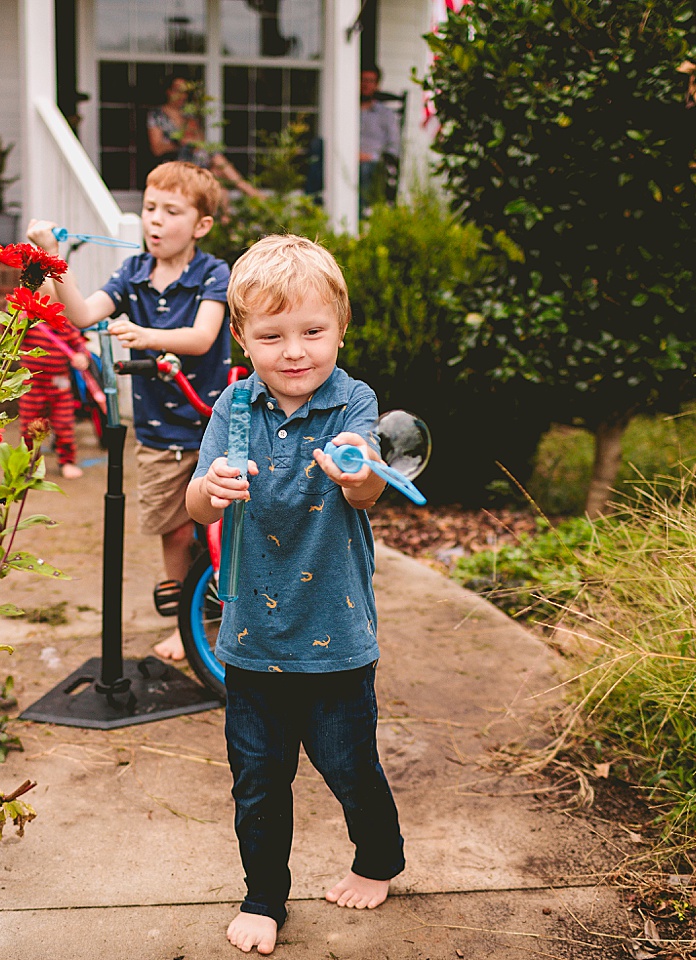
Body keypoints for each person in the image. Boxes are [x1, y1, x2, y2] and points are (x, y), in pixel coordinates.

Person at [185, 234, 404, 956]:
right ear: (242, 338)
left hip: (335, 637)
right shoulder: (235, 407)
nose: (294, 351)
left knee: (350, 768)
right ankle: (263, 898)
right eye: (272, 335)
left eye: (312, 331)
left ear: (342, 327)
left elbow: (369, 486)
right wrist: (208, 490)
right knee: (257, 781)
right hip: (250, 641)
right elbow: (194, 505)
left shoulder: (352, 402)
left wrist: (355, 473)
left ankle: (377, 859)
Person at [26, 160, 234, 662]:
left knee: (227, 526)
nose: (155, 221)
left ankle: (227, 618)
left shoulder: (213, 273)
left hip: (213, 422)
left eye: (171, 211)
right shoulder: (133, 272)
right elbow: (80, 314)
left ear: (201, 225)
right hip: (160, 432)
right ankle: (185, 625)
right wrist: (52, 258)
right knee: (174, 526)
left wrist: (146, 337)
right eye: (148, 208)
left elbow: (202, 337)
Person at [147, 76, 263, 199]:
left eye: (185, 92)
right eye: (178, 91)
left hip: (197, 160)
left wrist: (194, 140)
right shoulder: (157, 115)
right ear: (169, 91)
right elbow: (157, 148)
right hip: (174, 163)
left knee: (216, 176)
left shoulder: (188, 113)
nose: (182, 95)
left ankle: (227, 215)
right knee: (217, 162)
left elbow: (200, 141)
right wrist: (179, 143)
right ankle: (251, 192)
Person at [19, 319, 92, 479]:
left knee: (64, 424)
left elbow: (79, 345)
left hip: (60, 386)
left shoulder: (66, 325)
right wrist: (16, 315)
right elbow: (10, 330)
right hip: (32, 385)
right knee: (29, 427)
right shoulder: (29, 323)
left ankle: (67, 461)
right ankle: (30, 463)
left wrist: (82, 357)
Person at [359, 67, 401, 211]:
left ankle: (360, 217)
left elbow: (394, 146)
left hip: (373, 162)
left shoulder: (386, 114)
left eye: (370, 81)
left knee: (364, 169)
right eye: (363, 80)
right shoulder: (346, 109)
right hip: (345, 158)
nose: (365, 84)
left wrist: (372, 157)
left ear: (377, 85)